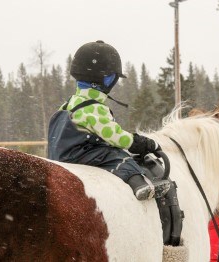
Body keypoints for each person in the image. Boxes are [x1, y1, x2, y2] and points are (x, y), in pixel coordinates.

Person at [47, 40, 171, 201]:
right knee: (118, 156)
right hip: (81, 155)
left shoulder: (68, 104)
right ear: (106, 79)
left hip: (58, 157)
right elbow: (114, 136)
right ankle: (140, 185)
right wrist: (138, 143)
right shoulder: (94, 107)